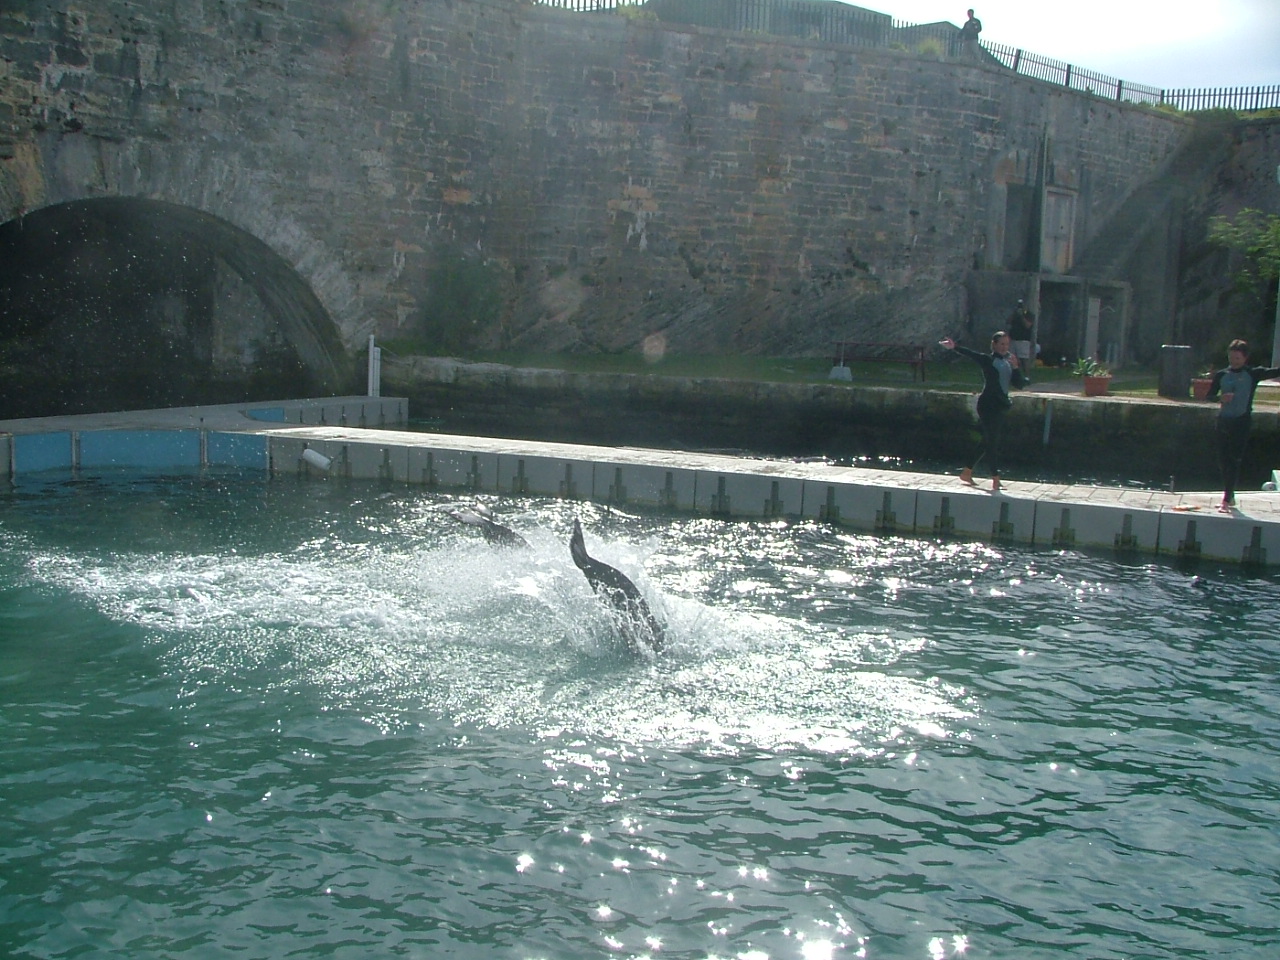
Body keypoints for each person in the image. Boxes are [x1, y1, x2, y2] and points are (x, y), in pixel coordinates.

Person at [940, 331, 1028, 491]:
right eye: (1001, 344)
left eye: (1006, 344)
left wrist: (1016, 368)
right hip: (988, 405)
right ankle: (996, 478)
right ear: (994, 344)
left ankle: (967, 472)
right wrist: (954, 347)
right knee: (992, 442)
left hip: (1000, 405)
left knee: (987, 441)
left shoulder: (1008, 362)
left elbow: (1020, 384)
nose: (1004, 347)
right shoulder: (988, 360)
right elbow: (971, 354)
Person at [1204, 339, 1280, 512]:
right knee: (1223, 461)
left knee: (1234, 460)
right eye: (1231, 357)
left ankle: (1226, 500)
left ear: (1245, 358)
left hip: (1241, 422)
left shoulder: (1253, 373)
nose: (1234, 361)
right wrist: (1220, 398)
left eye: (1237, 358)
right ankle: (1229, 497)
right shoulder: (1221, 375)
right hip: (1223, 421)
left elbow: (1276, 371)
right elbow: (1209, 396)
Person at [1007, 299, 1035, 369]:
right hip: (1013, 339)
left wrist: (1022, 315)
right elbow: (1008, 322)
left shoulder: (1029, 314)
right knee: (1011, 358)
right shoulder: (1015, 314)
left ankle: (1026, 374)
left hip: (1023, 340)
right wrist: (1014, 313)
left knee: (1024, 360)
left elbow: (1027, 325)